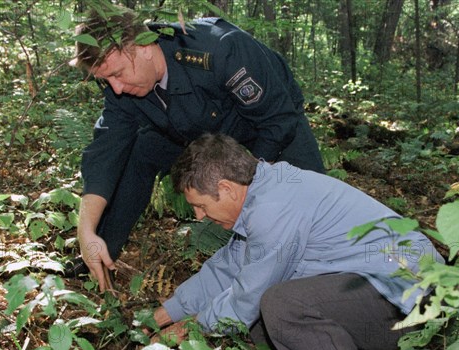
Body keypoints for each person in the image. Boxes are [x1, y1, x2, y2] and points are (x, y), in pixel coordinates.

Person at [153, 133, 444, 350]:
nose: (199, 216)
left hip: (414, 298)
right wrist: (162, 316)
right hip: (383, 295)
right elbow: (226, 268)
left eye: (200, 205)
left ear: (226, 188)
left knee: (280, 306)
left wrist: (190, 327)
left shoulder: (272, 207)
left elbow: (245, 301)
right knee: (265, 321)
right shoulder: (263, 191)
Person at [68, 5, 325, 290]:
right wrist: (86, 230)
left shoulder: (220, 49)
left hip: (265, 127)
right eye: (106, 80)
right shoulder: (123, 89)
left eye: (117, 74)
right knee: (139, 152)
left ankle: (306, 281)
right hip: (194, 129)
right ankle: (102, 253)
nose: (115, 88)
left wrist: (243, 184)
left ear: (143, 45)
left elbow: (278, 120)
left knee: (309, 207)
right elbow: (105, 152)